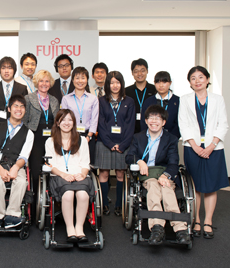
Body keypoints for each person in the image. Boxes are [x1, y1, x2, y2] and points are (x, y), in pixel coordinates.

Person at [126, 105, 191, 245]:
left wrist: (165, 175)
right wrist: (139, 161)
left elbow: (174, 163)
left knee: (167, 189)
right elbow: (129, 156)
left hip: (165, 175)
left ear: (164, 122)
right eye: (151, 118)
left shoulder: (171, 139)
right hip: (147, 175)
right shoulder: (138, 137)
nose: (154, 121)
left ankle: (180, 229)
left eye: (158, 118)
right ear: (146, 120)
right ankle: (157, 228)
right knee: (153, 187)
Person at [178, 66, 229, 239]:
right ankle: (196, 220)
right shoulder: (185, 100)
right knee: (196, 186)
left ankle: (208, 220)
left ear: (207, 79)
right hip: (193, 148)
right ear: (190, 82)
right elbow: (183, 124)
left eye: (201, 77)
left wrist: (211, 145)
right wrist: (195, 146)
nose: (197, 80)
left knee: (211, 186)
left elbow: (223, 124)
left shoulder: (217, 99)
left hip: (213, 148)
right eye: (193, 78)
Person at [45, 109, 93, 242]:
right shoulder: (50, 141)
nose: (66, 123)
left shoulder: (82, 140)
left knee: (83, 195)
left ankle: (79, 228)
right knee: (68, 194)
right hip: (59, 176)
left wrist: (83, 174)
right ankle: (70, 228)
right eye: (63, 119)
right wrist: (63, 175)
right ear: (58, 123)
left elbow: (85, 163)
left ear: (74, 123)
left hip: (79, 175)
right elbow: (51, 166)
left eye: (70, 120)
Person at [0, 95, 34, 228]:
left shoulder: (29, 133)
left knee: (20, 182)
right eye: (16, 106)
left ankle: (12, 214)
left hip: (16, 164)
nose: (19, 109)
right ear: (9, 109)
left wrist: (15, 168)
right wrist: (0, 170)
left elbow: (24, 156)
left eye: (22, 106)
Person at [94, 71, 135, 216]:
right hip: (105, 143)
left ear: (121, 84)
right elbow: (100, 124)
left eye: (117, 82)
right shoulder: (101, 101)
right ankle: (104, 204)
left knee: (120, 174)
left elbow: (131, 126)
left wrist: (122, 145)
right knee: (103, 174)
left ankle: (119, 204)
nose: (115, 85)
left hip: (123, 143)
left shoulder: (129, 101)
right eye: (112, 82)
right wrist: (110, 143)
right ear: (107, 84)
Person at [22, 70, 59, 201]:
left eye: (47, 81)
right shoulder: (28, 98)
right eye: (41, 81)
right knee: (36, 169)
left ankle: (51, 198)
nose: (44, 83)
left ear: (50, 83)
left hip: (52, 139)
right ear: (37, 83)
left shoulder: (54, 100)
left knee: (51, 168)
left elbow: (57, 121)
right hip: (35, 138)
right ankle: (36, 199)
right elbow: (24, 121)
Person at [61, 67, 99, 163]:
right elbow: (63, 120)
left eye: (83, 78)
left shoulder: (93, 99)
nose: (80, 81)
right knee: (71, 164)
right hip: (70, 136)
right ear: (72, 80)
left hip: (88, 136)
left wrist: (88, 137)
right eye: (77, 78)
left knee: (87, 166)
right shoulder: (66, 99)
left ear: (87, 80)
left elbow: (94, 120)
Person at [0, 56, 28, 137]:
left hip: (17, 129)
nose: (6, 71)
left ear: (14, 70)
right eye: (3, 68)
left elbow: (25, 112)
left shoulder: (22, 88)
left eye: (9, 68)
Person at [141, 71, 180, 139]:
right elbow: (143, 122)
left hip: (171, 140)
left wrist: (172, 138)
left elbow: (180, 123)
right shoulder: (149, 101)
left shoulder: (178, 101)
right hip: (150, 139)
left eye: (164, 82)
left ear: (170, 83)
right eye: (158, 82)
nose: (161, 85)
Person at [125, 58, 156, 133]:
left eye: (142, 70)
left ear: (147, 71)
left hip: (151, 129)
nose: (139, 74)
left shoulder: (154, 90)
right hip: (131, 130)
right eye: (136, 71)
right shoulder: (126, 91)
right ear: (132, 73)